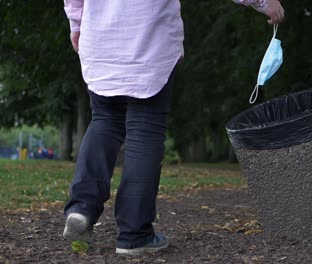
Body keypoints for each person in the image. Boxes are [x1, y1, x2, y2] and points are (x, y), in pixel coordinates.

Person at [62, 0, 284, 255]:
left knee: (104, 121)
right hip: (148, 40)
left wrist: (76, 23)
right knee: (144, 127)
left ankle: (82, 207)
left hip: (99, 38)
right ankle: (134, 235)